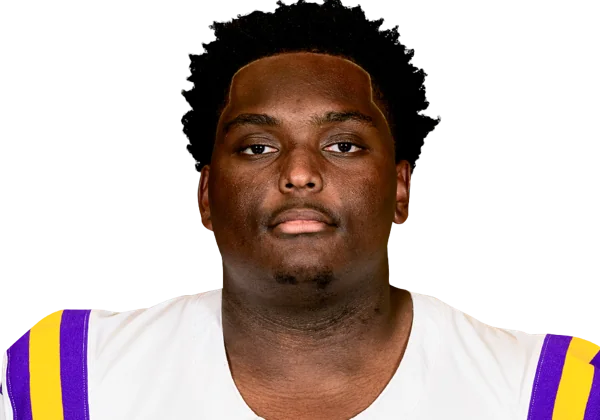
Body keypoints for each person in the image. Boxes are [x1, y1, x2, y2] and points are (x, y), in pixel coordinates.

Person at [1, 51, 598, 420]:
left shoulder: (553, 391)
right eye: (257, 147)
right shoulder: (62, 377)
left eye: (344, 145)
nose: (300, 173)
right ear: (206, 197)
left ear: (400, 191)